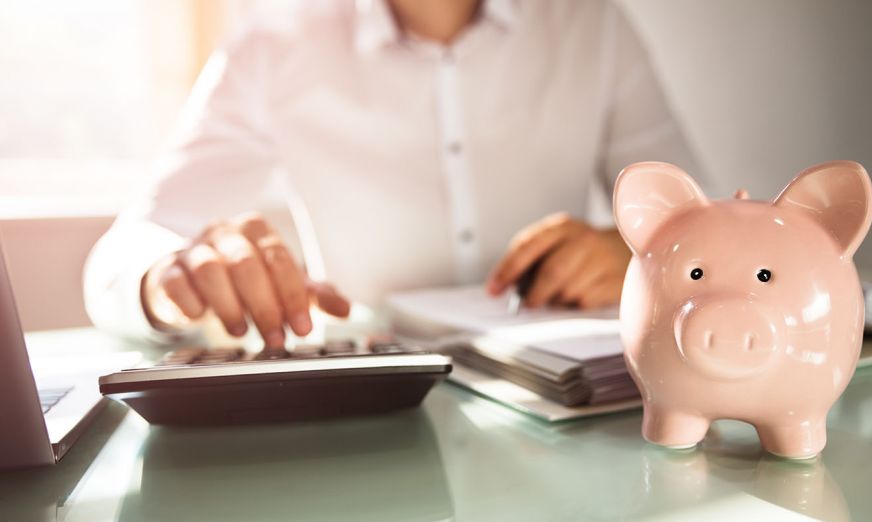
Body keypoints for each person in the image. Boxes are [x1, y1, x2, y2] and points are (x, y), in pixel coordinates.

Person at [84, 0, 703, 348]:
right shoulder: (272, 41)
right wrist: (168, 279)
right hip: (373, 398)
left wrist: (638, 255)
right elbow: (126, 253)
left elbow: (698, 227)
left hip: (577, 392)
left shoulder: (593, 25)